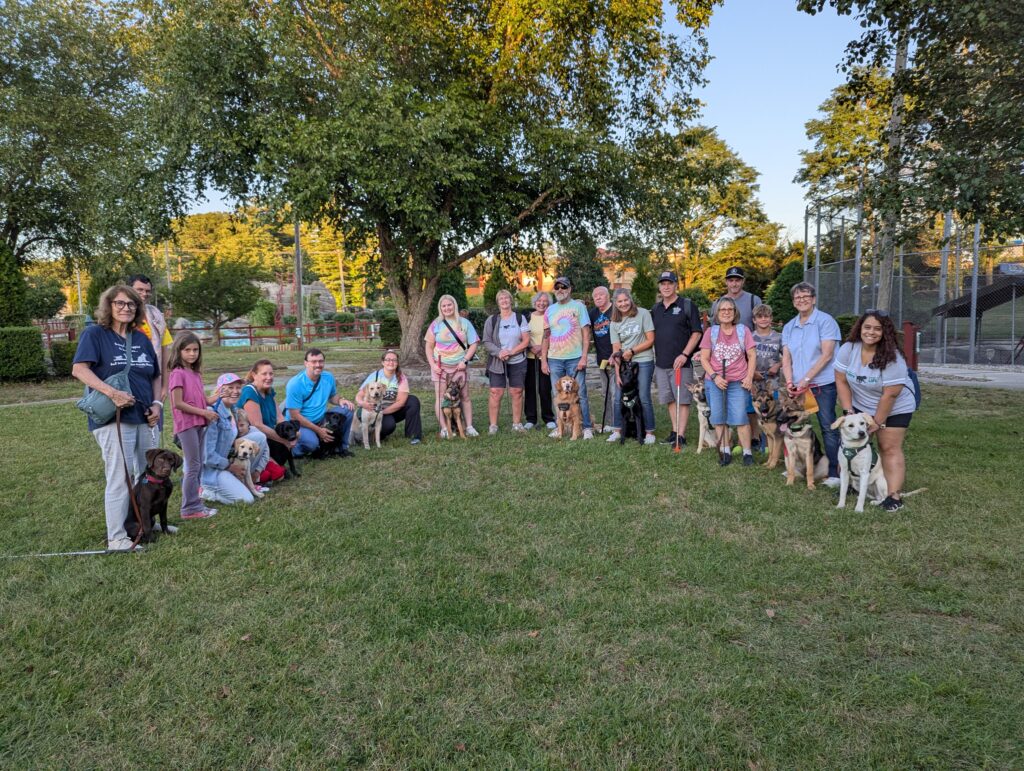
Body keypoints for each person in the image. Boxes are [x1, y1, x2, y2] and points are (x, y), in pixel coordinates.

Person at [72, 285, 162, 551]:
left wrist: (157, 404)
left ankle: (145, 522)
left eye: (132, 304)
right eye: (120, 303)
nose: (126, 308)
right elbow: (79, 369)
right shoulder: (95, 335)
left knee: (148, 473)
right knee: (120, 476)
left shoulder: (142, 338)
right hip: (114, 417)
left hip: (144, 416)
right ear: (109, 306)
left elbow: (155, 375)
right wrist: (113, 393)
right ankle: (117, 537)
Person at [834, 310, 918, 512]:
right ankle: (854, 486)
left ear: (885, 332)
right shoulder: (848, 349)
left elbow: (890, 395)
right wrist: (848, 411)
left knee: (888, 447)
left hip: (895, 406)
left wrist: (876, 423)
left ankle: (893, 496)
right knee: (853, 444)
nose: (871, 332)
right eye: (867, 327)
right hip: (862, 404)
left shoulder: (893, 358)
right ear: (860, 328)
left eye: (877, 329)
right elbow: (841, 380)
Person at [781, 282, 842, 487]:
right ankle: (794, 466)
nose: (801, 300)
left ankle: (834, 472)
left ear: (814, 298)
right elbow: (786, 359)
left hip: (821, 384)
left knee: (827, 426)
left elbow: (827, 355)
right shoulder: (789, 326)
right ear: (793, 301)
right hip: (797, 387)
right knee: (793, 425)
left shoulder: (826, 322)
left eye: (805, 296)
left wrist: (805, 380)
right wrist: (790, 382)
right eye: (797, 297)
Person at [166, 331, 220, 520]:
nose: (192, 354)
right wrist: (204, 412)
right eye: (187, 350)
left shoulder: (195, 373)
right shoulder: (177, 374)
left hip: (199, 423)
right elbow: (178, 403)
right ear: (179, 351)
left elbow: (202, 399)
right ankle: (189, 508)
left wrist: (219, 395)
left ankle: (196, 503)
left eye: (195, 350)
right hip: (187, 424)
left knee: (198, 464)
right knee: (193, 465)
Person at [700, 296, 757, 466]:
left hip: (738, 381)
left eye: (729, 309)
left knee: (740, 417)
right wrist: (715, 377)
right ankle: (725, 450)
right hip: (715, 381)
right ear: (717, 313)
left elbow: (752, 355)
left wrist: (749, 377)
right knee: (718, 417)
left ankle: (747, 453)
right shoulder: (711, 332)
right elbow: (704, 358)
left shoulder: (743, 331)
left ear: (735, 312)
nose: (726, 312)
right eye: (722, 310)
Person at [650, 270, 703, 446]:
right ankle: (674, 431)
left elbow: (696, 333)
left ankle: (681, 435)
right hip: (662, 363)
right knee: (670, 399)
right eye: (663, 283)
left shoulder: (687, 305)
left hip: (681, 362)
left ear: (675, 285)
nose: (666, 287)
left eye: (669, 283)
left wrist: (684, 354)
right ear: (659, 286)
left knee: (683, 399)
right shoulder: (655, 309)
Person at [541, 276, 594, 439]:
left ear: (570, 289)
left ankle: (586, 428)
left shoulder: (579, 307)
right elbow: (546, 336)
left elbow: (586, 333)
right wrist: (544, 359)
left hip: (575, 357)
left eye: (563, 287)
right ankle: (560, 428)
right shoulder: (549, 310)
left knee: (581, 393)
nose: (560, 290)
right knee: (557, 394)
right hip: (554, 358)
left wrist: (584, 357)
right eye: (557, 287)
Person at [283, 348, 355, 458]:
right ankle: (294, 449)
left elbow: (332, 396)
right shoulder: (295, 384)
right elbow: (294, 416)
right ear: (306, 363)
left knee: (347, 409)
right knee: (312, 443)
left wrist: (340, 400)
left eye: (321, 361)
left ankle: (342, 446)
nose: (318, 364)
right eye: (313, 361)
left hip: (321, 419)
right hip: (300, 423)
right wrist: (318, 430)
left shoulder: (328, 377)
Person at [425, 294, 480, 437]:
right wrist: (433, 365)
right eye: (443, 306)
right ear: (440, 308)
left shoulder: (464, 323)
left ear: (454, 305)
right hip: (440, 366)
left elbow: (474, 343)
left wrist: (465, 361)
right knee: (441, 397)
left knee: (465, 395)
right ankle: (444, 428)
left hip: (459, 366)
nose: (447, 308)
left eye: (449, 305)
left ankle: (469, 426)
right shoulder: (435, 324)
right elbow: (429, 346)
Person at [606, 288, 656, 444]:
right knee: (618, 396)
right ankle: (617, 430)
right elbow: (616, 350)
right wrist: (618, 374)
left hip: (643, 359)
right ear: (615, 303)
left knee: (643, 396)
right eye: (619, 301)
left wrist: (632, 351)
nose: (623, 304)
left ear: (631, 299)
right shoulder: (614, 322)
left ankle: (649, 432)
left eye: (625, 300)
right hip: (624, 363)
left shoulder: (643, 314)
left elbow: (650, 340)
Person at [202, 373, 257, 505]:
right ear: (219, 390)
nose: (235, 391)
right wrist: (230, 467)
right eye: (230, 388)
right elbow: (207, 456)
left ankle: (249, 478)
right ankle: (207, 491)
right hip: (210, 469)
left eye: (238, 387)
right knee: (246, 500)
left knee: (258, 436)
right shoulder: (212, 413)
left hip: (225, 461)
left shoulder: (232, 410)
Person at [482, 289, 531, 433]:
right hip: (497, 361)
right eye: (501, 299)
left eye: (506, 298)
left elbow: (526, 340)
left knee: (517, 391)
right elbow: (486, 341)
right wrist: (499, 352)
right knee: (495, 392)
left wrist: (511, 352)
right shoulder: (492, 320)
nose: (504, 301)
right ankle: (493, 425)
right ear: (498, 302)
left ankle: (516, 424)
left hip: (517, 360)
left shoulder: (520, 318)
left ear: (511, 300)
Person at [354, 350, 423, 444]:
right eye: (388, 360)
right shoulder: (375, 375)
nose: (391, 362)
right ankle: (372, 436)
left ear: (397, 363)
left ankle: (414, 436)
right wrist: (362, 403)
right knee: (388, 426)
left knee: (412, 400)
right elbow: (360, 395)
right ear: (383, 362)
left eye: (394, 360)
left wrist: (383, 412)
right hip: (375, 411)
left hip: (391, 409)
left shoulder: (401, 377)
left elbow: (401, 402)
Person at [128, 274, 173, 415]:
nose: (144, 294)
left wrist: (165, 386)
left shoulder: (156, 316)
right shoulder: (121, 315)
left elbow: (165, 352)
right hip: (129, 379)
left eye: (147, 291)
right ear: (128, 289)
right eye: (139, 289)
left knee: (154, 421)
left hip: (153, 379)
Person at [238, 359, 298, 460]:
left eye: (271, 374)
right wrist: (284, 441)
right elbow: (258, 425)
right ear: (254, 375)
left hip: (268, 434)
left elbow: (279, 417)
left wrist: (291, 434)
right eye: (264, 374)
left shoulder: (269, 390)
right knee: (278, 472)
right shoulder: (249, 392)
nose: (269, 377)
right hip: (252, 437)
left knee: (297, 433)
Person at [523, 291, 555, 430]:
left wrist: (541, 348)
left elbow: (552, 336)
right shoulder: (527, 317)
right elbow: (522, 335)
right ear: (535, 302)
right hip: (530, 357)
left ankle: (548, 418)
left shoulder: (551, 316)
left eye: (545, 301)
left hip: (545, 357)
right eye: (539, 301)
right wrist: (531, 347)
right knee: (530, 389)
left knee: (544, 388)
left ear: (549, 303)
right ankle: (531, 418)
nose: (542, 303)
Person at [589, 285, 617, 433]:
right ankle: (608, 423)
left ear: (608, 296)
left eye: (601, 295)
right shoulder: (593, 314)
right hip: (602, 359)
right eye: (595, 296)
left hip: (618, 359)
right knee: (606, 392)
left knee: (615, 392)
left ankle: (617, 423)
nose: (598, 298)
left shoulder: (616, 311)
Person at [710, 266, 763, 331]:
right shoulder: (717, 303)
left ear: (743, 281)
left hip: (749, 340)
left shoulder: (754, 300)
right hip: (724, 341)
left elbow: (761, 327)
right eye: (731, 281)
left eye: (737, 280)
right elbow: (714, 329)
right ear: (726, 282)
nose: (734, 284)